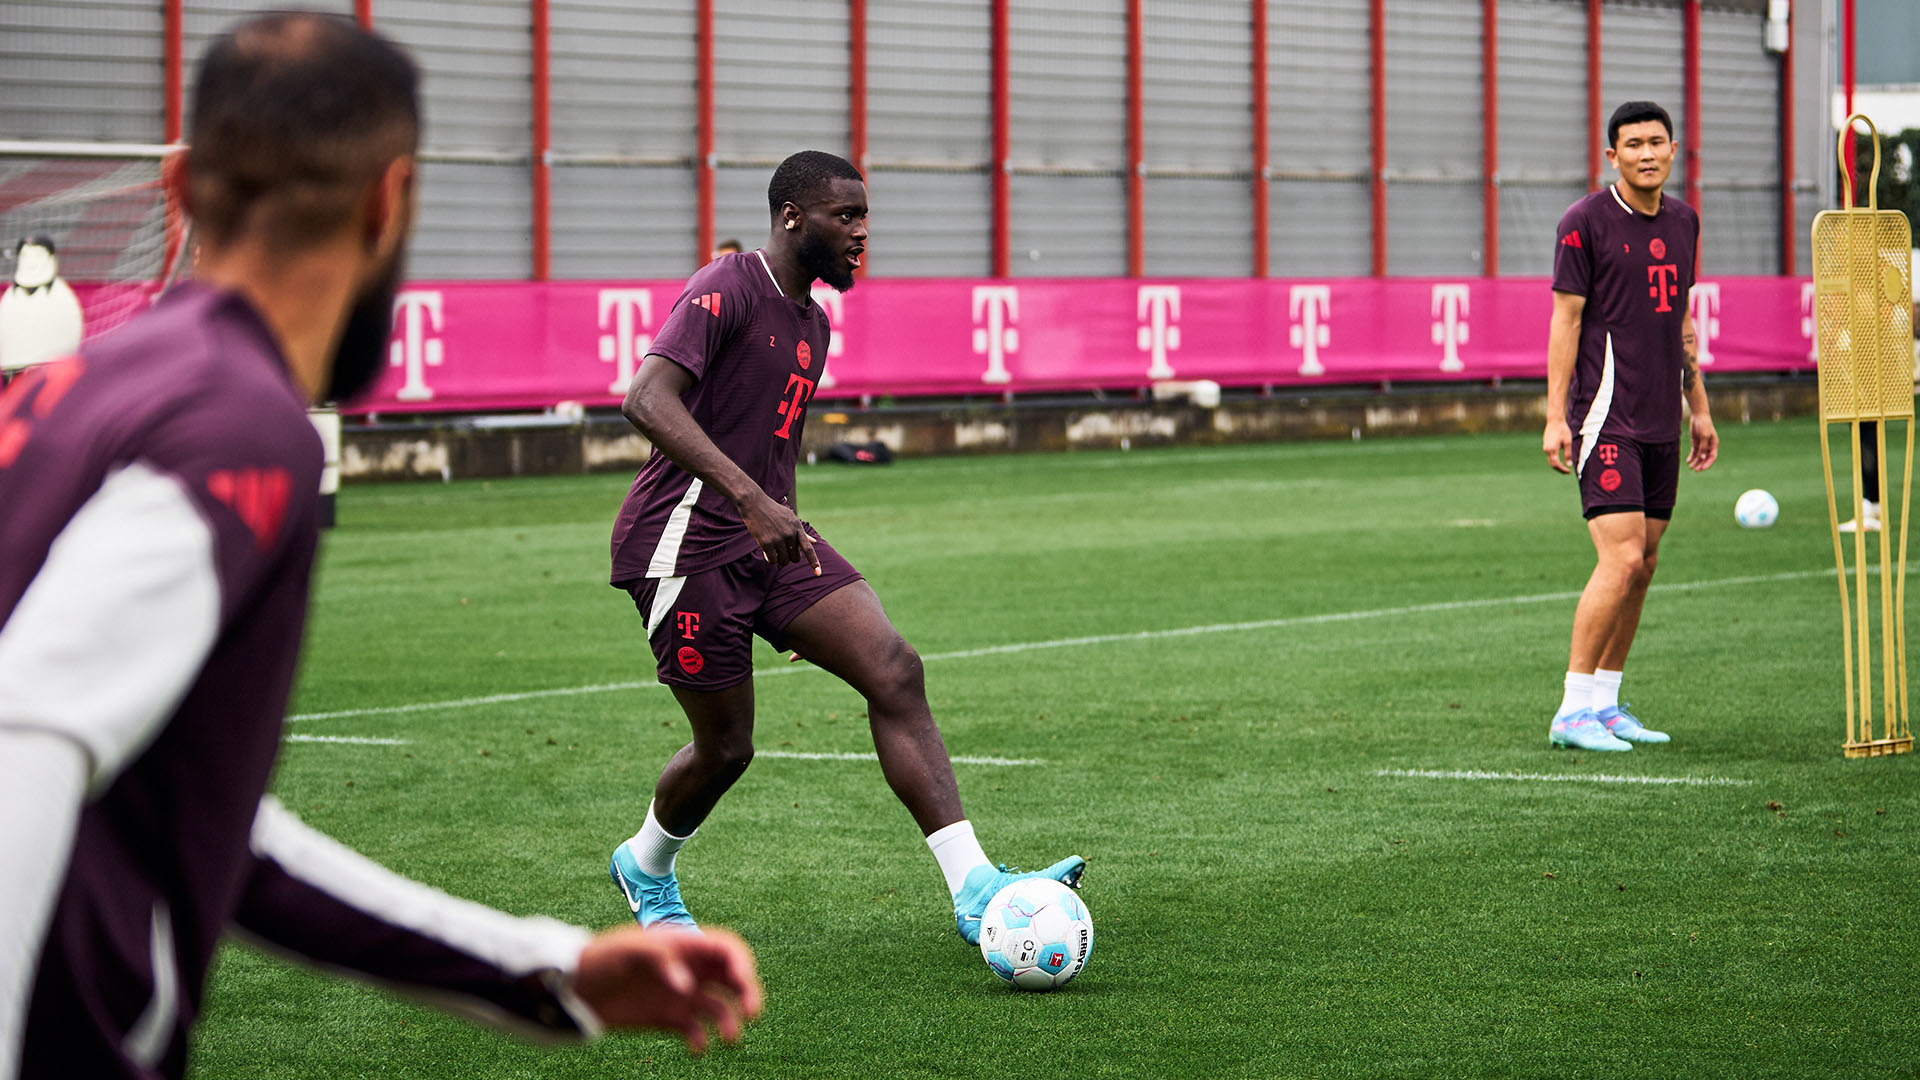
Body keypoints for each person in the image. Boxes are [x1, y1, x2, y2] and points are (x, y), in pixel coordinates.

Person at [0, 15, 758, 1080]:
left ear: (179, 188)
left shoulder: (77, 391)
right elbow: (23, 735)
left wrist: (541, 971)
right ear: (389, 198)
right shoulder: (234, 427)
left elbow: (207, 819)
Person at [607, 150, 1084, 945]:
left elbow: (770, 447)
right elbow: (645, 399)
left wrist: (790, 576)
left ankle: (974, 888)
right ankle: (645, 865)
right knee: (726, 749)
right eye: (847, 216)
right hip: (683, 545)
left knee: (894, 668)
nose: (862, 233)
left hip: (771, 539)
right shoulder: (724, 286)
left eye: (865, 216)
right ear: (795, 217)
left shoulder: (814, 324)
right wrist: (751, 501)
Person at [1541, 101, 1718, 752]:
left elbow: (1682, 322)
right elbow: (1565, 321)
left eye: (1656, 142)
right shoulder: (1583, 223)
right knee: (1618, 561)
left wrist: (1697, 406)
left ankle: (1606, 702)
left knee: (1644, 565)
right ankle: (1570, 710)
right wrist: (1556, 416)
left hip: (1661, 419)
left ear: (1674, 149)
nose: (1646, 153)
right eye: (1632, 144)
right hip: (1602, 417)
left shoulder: (1684, 221)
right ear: (1611, 157)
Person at [0, 236, 84, 387]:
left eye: (38, 255)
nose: (31, 262)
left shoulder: (62, 296)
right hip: (14, 370)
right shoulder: (10, 298)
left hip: (51, 371)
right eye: (26, 255)